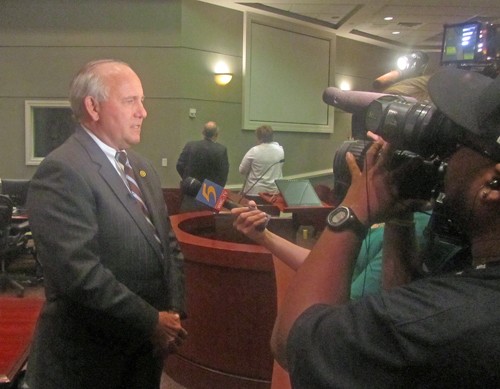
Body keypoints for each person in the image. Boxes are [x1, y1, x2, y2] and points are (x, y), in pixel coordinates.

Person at [270, 68, 500, 387]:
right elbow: (403, 296)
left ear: (494, 181)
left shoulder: (443, 319)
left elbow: (294, 342)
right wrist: (398, 217)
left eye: (455, 143)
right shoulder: (471, 270)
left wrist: (357, 206)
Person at [25, 59, 187, 389]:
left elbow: (167, 245)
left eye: (142, 101)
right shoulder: (63, 170)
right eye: (130, 101)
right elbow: (79, 273)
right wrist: (151, 321)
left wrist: (174, 312)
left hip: (143, 353)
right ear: (93, 107)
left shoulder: (142, 167)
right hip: (88, 363)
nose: (143, 112)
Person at [176, 121, 229, 187]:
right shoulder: (221, 150)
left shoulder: (190, 146)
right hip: (209, 193)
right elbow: (222, 176)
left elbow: (179, 165)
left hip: (189, 189)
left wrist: (188, 180)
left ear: (203, 132)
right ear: (216, 134)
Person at [239, 125, 284, 202]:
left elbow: (242, 170)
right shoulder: (280, 150)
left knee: (255, 214)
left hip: (255, 193)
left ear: (259, 137)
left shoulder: (254, 151)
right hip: (274, 193)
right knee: (273, 214)